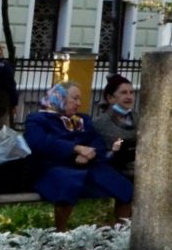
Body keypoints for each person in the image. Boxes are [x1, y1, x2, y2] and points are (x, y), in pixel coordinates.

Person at [22, 82, 134, 229]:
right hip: (52, 167)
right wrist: (75, 149)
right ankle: (61, 234)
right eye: (74, 99)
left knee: (124, 187)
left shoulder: (83, 120)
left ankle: (121, 231)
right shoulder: (38, 119)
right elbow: (38, 143)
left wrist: (88, 154)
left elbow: (97, 142)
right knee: (68, 182)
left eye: (80, 99)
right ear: (59, 98)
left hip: (86, 165)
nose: (79, 103)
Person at [96, 73, 140, 173]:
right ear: (110, 98)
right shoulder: (99, 124)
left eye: (131, 92)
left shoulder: (141, 120)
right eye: (124, 93)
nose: (129, 97)